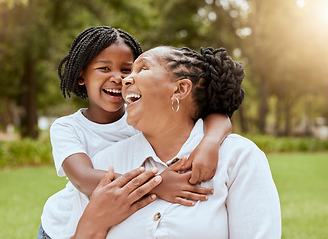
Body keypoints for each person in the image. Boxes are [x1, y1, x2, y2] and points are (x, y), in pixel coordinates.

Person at [38, 26, 232, 239]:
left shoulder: (140, 117)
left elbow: (218, 115)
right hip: (63, 227)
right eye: (104, 69)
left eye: (126, 69)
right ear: (81, 75)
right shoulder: (68, 127)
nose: (119, 78)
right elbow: (83, 179)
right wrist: (158, 184)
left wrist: (210, 142)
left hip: (114, 220)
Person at [72, 46, 282, 238]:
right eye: (131, 71)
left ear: (180, 89)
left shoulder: (238, 158)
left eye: (143, 68)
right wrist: (93, 222)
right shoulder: (105, 162)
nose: (125, 80)